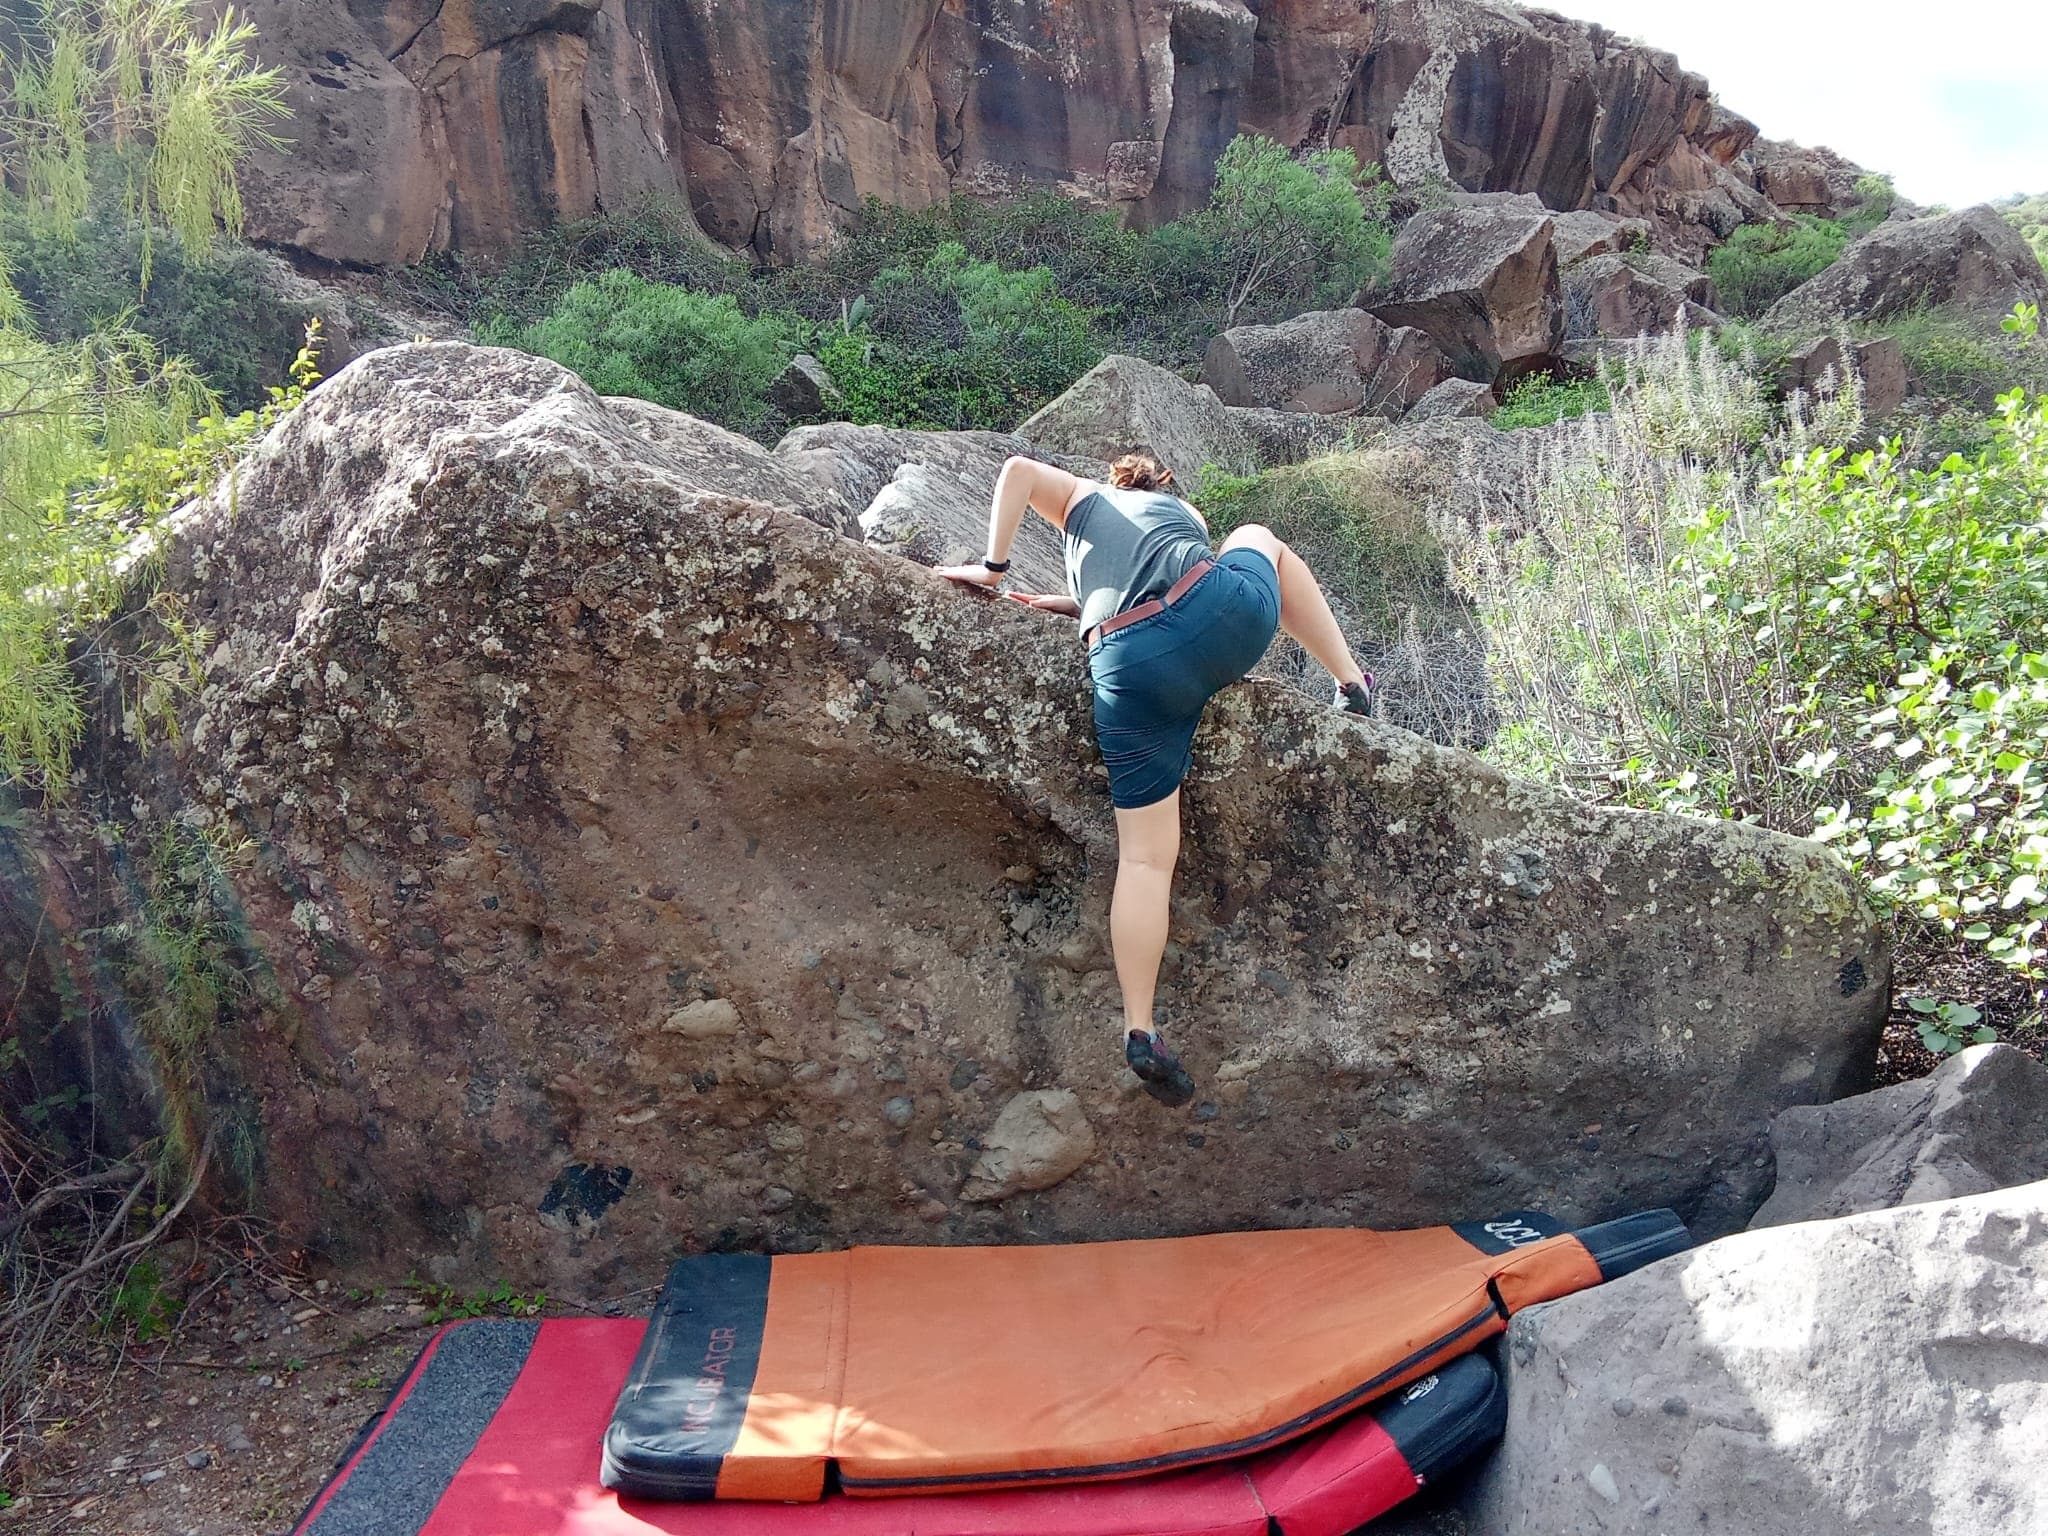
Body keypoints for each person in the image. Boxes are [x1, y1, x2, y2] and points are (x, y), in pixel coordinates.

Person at [937, 451, 1374, 1107]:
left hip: (1125, 661)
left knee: (1145, 860)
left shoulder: (1085, 501)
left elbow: (1020, 471)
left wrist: (998, 571)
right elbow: (1159, 558)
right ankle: (1350, 681)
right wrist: (1044, 590)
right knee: (1259, 540)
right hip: (1219, 621)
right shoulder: (1170, 513)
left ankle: (1140, 1028)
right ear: (1165, 492)